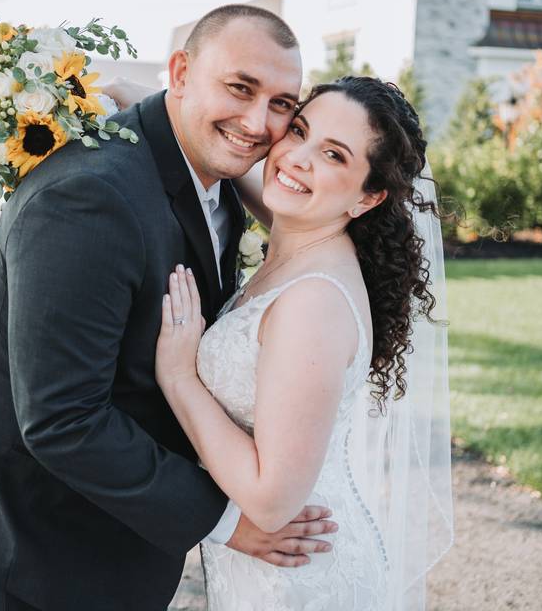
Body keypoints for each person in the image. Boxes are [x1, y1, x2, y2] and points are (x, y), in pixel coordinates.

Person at [0, 5, 341, 611]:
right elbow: (63, 417)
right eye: (239, 87)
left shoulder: (210, 170)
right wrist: (230, 524)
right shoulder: (89, 196)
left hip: (124, 531)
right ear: (180, 74)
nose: (258, 123)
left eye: (282, 104)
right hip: (41, 539)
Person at [151, 76, 454, 609]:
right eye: (298, 131)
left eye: (334, 155)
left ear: (369, 197)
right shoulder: (305, 240)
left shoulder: (314, 302)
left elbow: (271, 502)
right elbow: (265, 174)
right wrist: (163, 104)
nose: (298, 158)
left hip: (299, 577)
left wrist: (178, 379)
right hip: (266, 569)